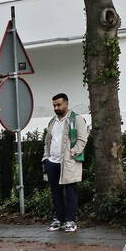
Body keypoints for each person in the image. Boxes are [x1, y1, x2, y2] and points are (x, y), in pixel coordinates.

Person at [42, 93, 88, 233]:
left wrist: (72, 153)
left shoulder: (76, 119)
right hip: (52, 162)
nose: (56, 108)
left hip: (68, 162)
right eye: (54, 105)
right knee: (56, 193)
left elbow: (82, 139)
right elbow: (47, 141)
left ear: (67, 104)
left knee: (70, 193)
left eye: (59, 105)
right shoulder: (52, 122)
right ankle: (58, 219)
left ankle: (70, 220)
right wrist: (46, 158)